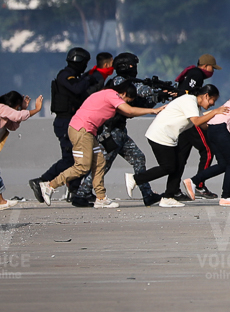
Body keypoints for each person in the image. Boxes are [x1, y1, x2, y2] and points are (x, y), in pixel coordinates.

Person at [72, 52, 175, 208]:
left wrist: (158, 98)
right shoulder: (120, 82)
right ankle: (81, 194)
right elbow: (139, 91)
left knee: (138, 157)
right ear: (128, 66)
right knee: (103, 164)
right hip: (111, 131)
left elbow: (137, 104)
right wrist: (156, 92)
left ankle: (147, 195)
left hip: (120, 132)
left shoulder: (127, 83)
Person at [35, 81, 159, 207]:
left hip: (87, 131)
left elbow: (127, 112)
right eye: (127, 100)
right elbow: (130, 111)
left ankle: (101, 198)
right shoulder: (112, 95)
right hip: (81, 130)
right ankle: (49, 185)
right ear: (124, 93)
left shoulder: (108, 95)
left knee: (100, 162)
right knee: (82, 166)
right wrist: (154, 111)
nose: (126, 103)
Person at [133, 85, 229, 206]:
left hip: (167, 136)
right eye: (213, 100)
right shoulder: (189, 100)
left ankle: (168, 196)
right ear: (206, 96)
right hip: (160, 135)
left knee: (178, 164)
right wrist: (215, 112)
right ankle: (136, 179)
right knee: (168, 167)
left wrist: (223, 127)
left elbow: (204, 125)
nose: (213, 104)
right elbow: (197, 121)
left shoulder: (195, 107)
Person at [37, 47, 105, 190]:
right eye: (84, 63)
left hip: (72, 121)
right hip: (65, 121)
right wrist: (89, 78)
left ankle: (74, 190)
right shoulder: (65, 75)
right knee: (69, 159)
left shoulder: (75, 76)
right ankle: (42, 181)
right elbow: (77, 89)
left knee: (78, 159)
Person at [173, 53, 221, 197]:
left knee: (181, 156)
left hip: (182, 119)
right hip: (191, 119)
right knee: (207, 151)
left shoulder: (191, 73)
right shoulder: (197, 74)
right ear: (206, 66)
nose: (212, 72)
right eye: (212, 69)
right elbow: (187, 94)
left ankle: (174, 190)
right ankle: (199, 185)